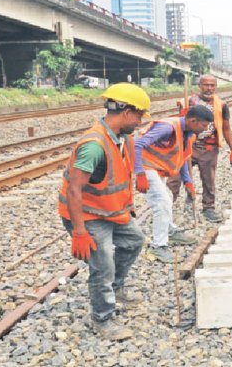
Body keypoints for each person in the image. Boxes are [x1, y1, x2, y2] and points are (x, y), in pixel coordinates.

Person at [58, 83, 150, 340]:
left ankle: (116, 288)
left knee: (134, 241)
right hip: (86, 215)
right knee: (103, 266)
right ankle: (101, 319)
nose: (140, 122)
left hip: (111, 212)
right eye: (140, 115)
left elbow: (119, 176)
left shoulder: (123, 138)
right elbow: (74, 190)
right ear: (127, 112)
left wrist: (128, 207)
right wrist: (78, 232)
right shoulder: (94, 145)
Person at [135, 105, 213, 263]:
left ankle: (169, 230)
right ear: (192, 120)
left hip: (158, 168)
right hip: (145, 166)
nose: (206, 129)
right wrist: (139, 173)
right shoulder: (167, 127)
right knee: (161, 203)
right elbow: (137, 145)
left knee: (168, 197)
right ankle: (158, 246)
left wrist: (188, 182)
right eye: (204, 125)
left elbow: (182, 158)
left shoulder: (190, 134)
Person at [168, 75, 232, 223]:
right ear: (199, 85)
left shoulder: (222, 105)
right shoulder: (188, 102)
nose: (209, 88)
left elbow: (226, 128)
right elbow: (179, 124)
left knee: (208, 180)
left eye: (212, 85)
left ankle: (209, 208)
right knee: (175, 178)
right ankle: (166, 207)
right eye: (206, 85)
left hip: (209, 148)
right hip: (188, 146)